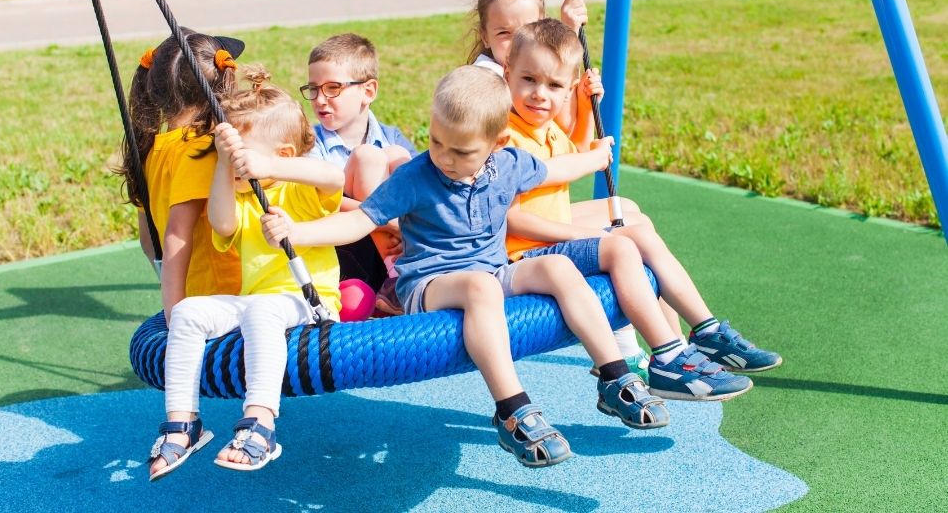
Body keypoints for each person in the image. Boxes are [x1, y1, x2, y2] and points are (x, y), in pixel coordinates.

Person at [261, 66, 671, 469]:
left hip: (491, 271)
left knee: (559, 267)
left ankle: (614, 376)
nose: (444, 158)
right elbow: (359, 220)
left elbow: (556, 170)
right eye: (437, 142)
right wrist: (296, 232)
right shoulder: (416, 176)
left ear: (498, 143)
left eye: (461, 152)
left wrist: (597, 157)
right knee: (481, 288)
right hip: (429, 284)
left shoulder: (509, 163)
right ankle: (512, 410)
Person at [503, 18, 781, 402]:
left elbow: (578, 151)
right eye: (528, 80)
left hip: (548, 232)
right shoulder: (505, 133)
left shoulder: (545, 130)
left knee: (637, 226)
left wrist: (585, 105)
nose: (539, 94)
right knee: (620, 245)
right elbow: (510, 221)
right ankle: (667, 356)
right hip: (523, 252)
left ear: (566, 91)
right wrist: (585, 234)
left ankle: (705, 331)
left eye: (554, 86)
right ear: (507, 74)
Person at [147, 67, 372, 480]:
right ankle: (184, 424)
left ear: (282, 157)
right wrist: (223, 159)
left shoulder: (298, 193)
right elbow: (221, 222)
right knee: (189, 312)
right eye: (229, 163)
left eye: (242, 162)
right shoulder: (240, 200)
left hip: (308, 303)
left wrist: (266, 165)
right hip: (254, 303)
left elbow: (332, 176)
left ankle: (261, 423)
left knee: (262, 311)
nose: (234, 170)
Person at [467, 0, 650, 372]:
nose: (517, 40)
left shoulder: (530, 79)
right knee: (623, 237)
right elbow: (536, 171)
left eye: (526, 29)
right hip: (511, 232)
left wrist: (582, 98)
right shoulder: (489, 88)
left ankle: (674, 344)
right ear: (484, 35)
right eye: (505, 34)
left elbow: (564, 139)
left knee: (634, 216)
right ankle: (638, 349)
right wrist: (590, 159)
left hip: (543, 208)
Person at [119, 29, 243, 321]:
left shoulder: (150, 149)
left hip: (196, 295)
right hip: (228, 294)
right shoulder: (201, 149)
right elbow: (177, 233)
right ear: (222, 83)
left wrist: (174, 288)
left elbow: (149, 239)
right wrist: (174, 312)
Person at [302, 33, 417, 313]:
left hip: (397, 238)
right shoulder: (311, 142)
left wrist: (404, 225)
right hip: (348, 245)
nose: (319, 99)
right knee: (367, 157)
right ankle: (397, 280)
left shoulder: (392, 138)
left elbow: (420, 188)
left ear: (368, 91)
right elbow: (322, 201)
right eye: (313, 89)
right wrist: (386, 221)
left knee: (395, 156)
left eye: (332, 88)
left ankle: (405, 269)